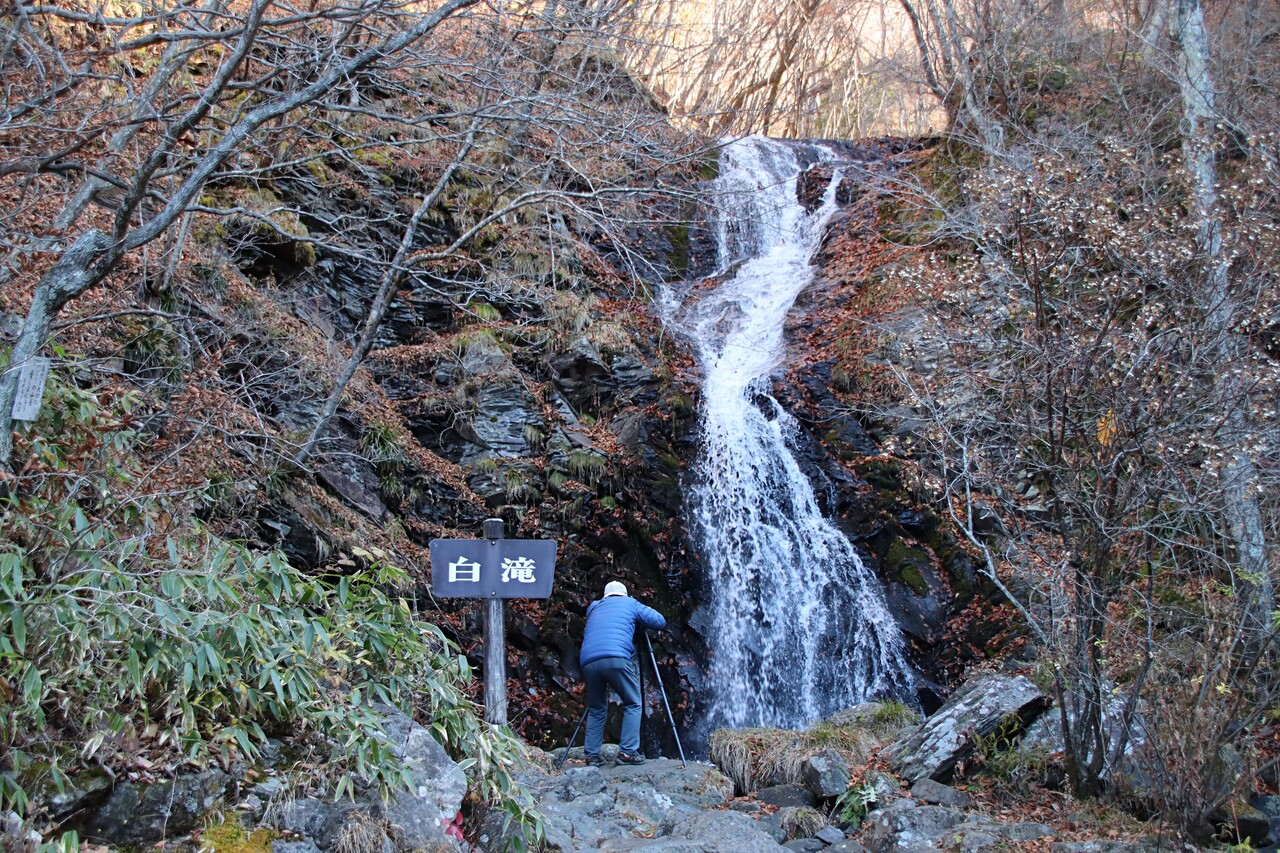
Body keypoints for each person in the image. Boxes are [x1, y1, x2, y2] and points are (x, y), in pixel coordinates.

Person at [579, 580, 666, 766]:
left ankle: (592, 755)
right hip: (616, 657)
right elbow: (660, 621)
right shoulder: (630, 603)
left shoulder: (594, 608)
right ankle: (627, 752)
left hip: (588, 661)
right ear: (624, 594)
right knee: (633, 702)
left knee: (596, 707)